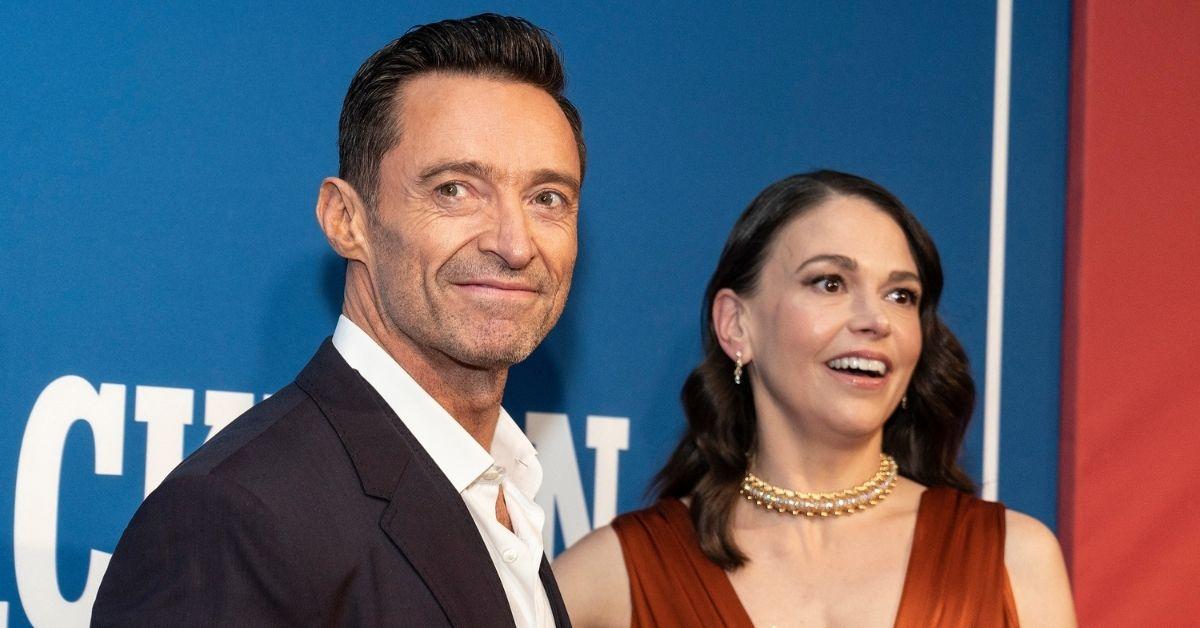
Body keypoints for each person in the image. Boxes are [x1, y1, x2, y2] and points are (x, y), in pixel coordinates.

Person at [92, 14, 584, 627]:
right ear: (346, 220)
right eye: (454, 190)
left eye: (547, 198)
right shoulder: (234, 517)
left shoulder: (504, 490)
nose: (514, 244)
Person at [553, 171, 1076, 627]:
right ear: (736, 325)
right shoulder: (616, 574)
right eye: (830, 283)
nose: (876, 320)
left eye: (901, 295)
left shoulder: (1014, 560)